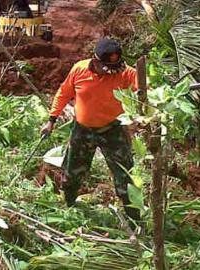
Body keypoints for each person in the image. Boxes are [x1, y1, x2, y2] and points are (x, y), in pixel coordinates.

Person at [41, 38, 140, 228]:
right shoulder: (79, 70)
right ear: (95, 61)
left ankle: (135, 220)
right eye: (106, 68)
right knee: (72, 172)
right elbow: (63, 93)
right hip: (83, 130)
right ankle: (69, 207)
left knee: (126, 177)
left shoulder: (125, 73)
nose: (111, 72)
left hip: (113, 130)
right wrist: (51, 119)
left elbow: (145, 87)